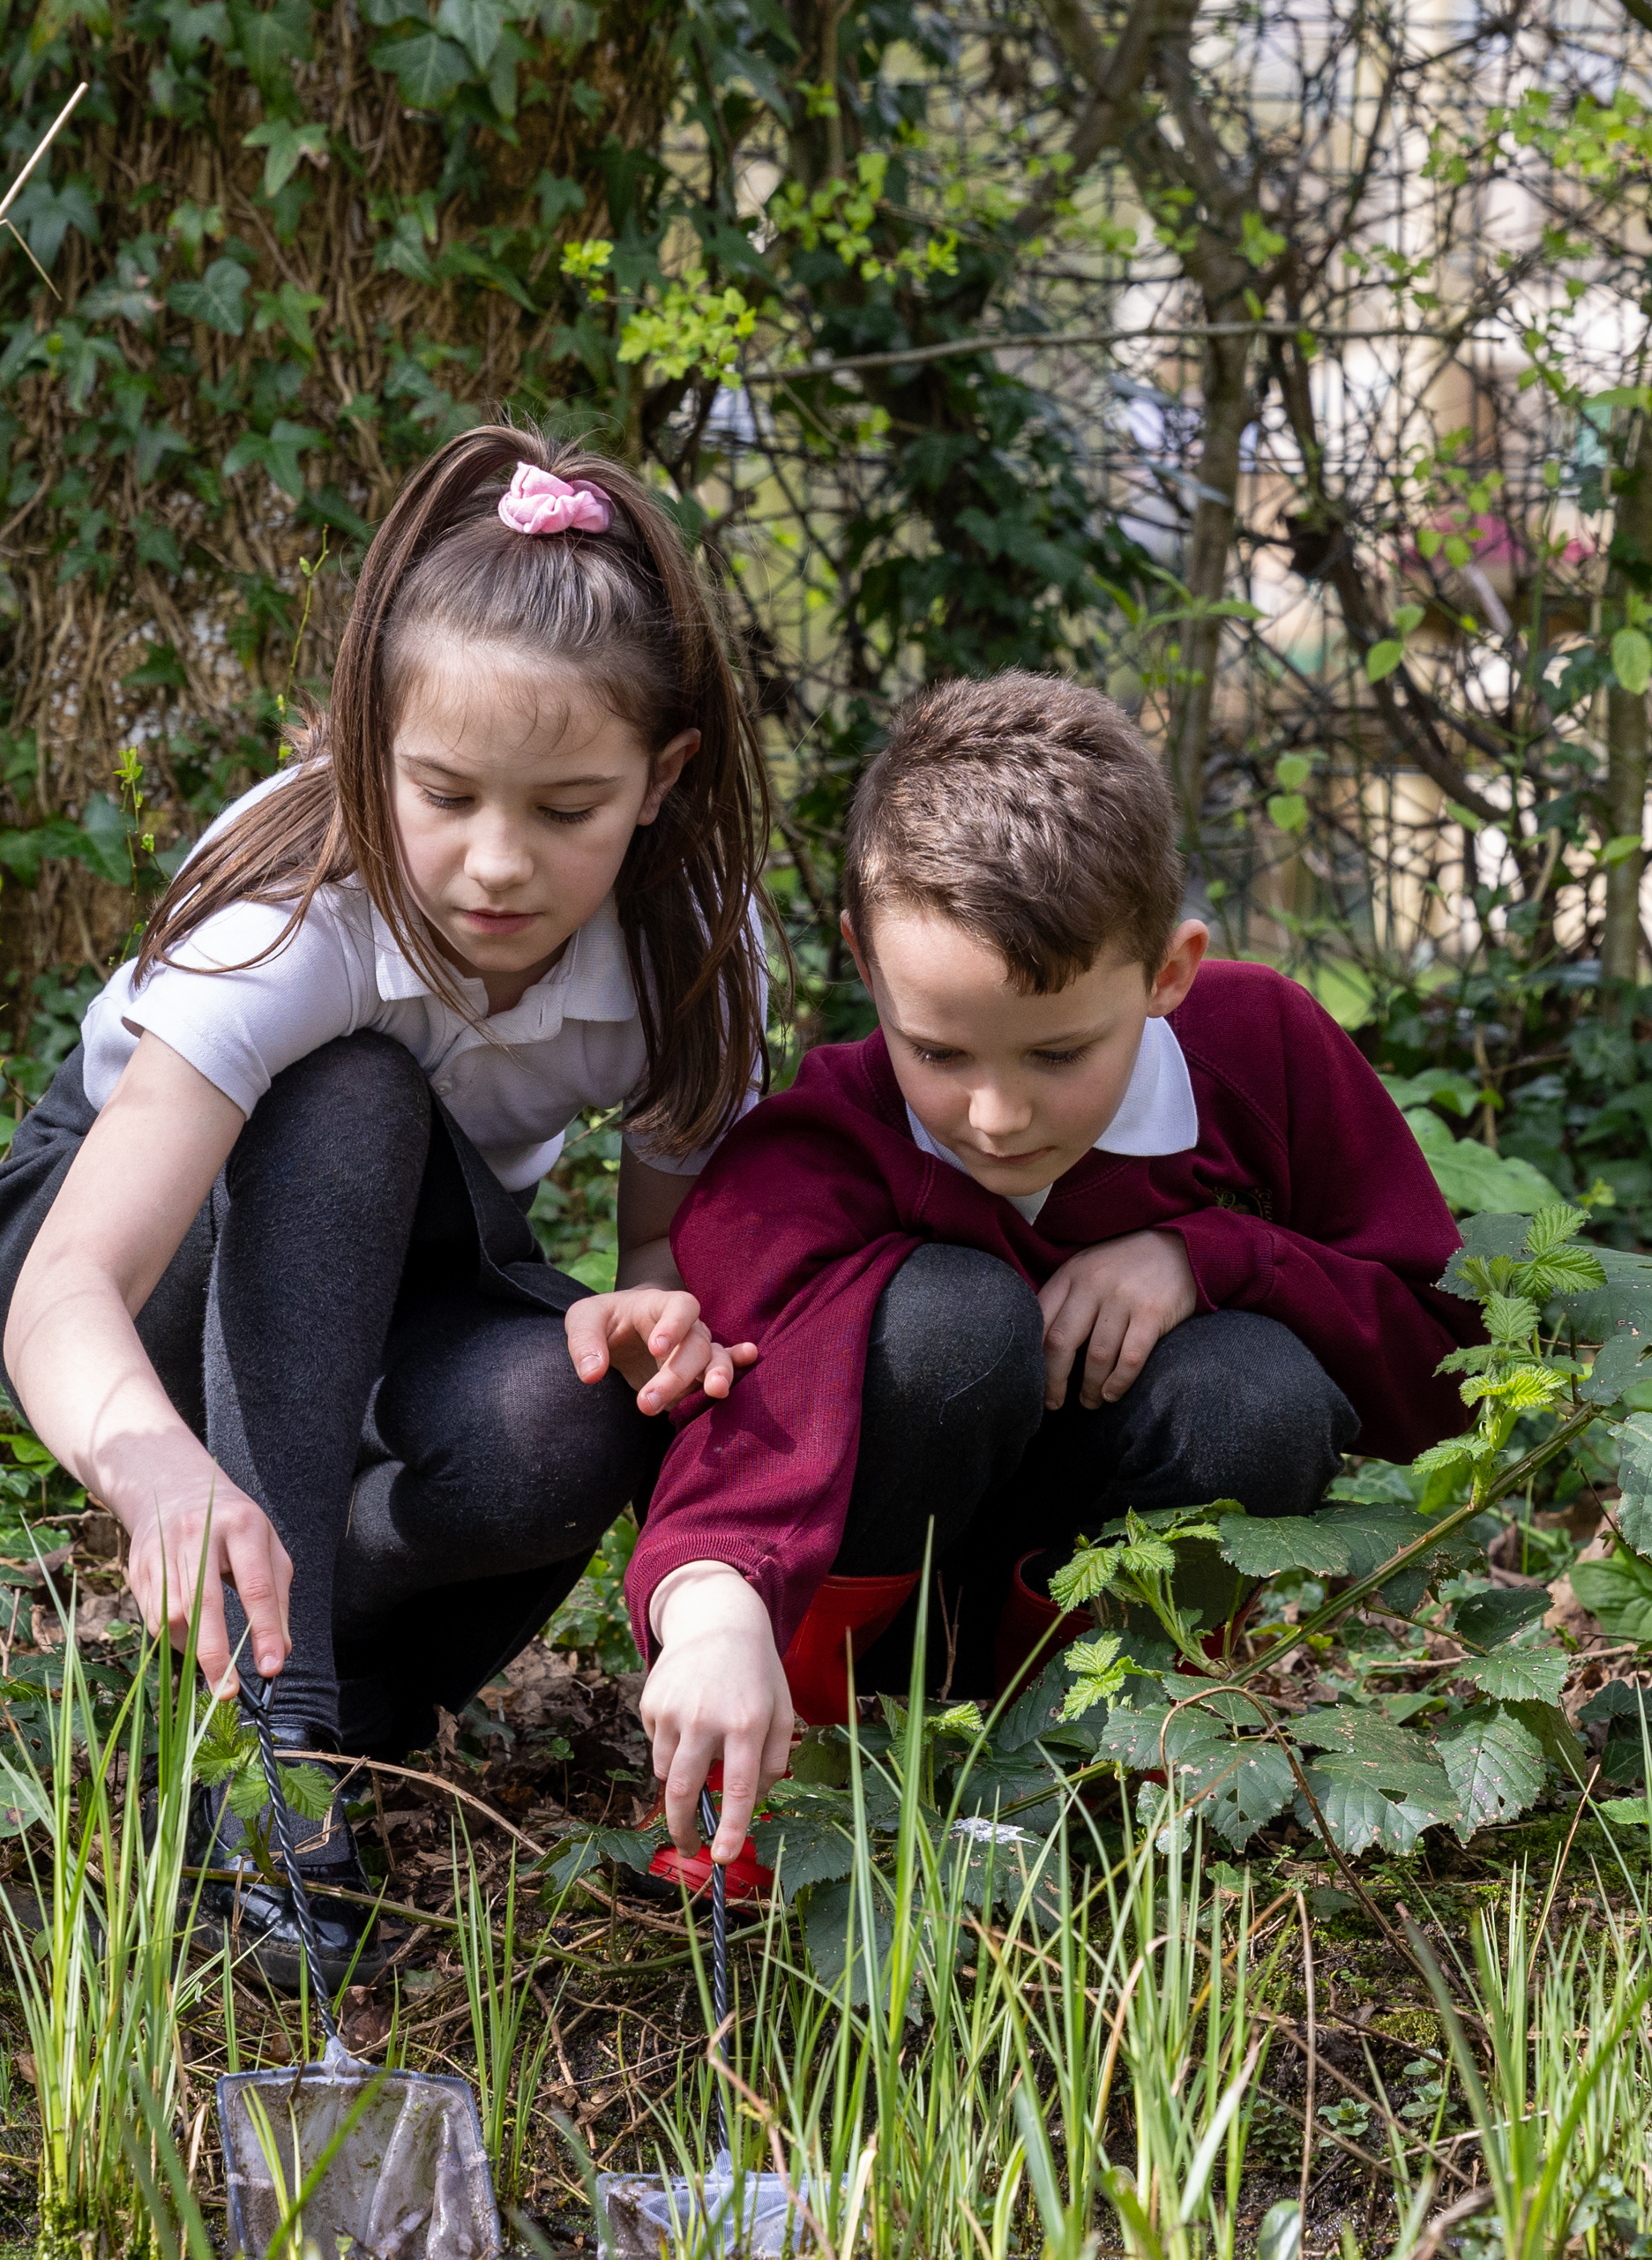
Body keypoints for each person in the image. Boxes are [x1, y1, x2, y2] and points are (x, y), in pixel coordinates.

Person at [0, 427, 773, 1989]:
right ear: (367, 741)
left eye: (567, 809)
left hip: (412, 1271)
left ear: (662, 781)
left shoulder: (692, 946)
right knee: (350, 1093)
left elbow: (669, 1266)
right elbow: (65, 1283)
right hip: (139, 1258)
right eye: (444, 793)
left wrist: (643, 1314)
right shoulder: (299, 917)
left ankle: (332, 1693)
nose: (496, 864)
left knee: (589, 1407)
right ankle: (274, 1741)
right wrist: (155, 1476)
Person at [627, 673, 1473, 1872]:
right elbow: (741, 1414)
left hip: (1088, 1583)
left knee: (1256, 1394)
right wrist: (717, 1607)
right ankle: (792, 1775)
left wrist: (1213, 1253)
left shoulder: (1263, 1055)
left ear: (1169, 973)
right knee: (954, 1323)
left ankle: (1111, 1772)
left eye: (1062, 1050)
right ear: (868, 965)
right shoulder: (818, 1148)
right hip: (875, 1596)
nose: (998, 1111)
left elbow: (1442, 1361)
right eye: (941, 1050)